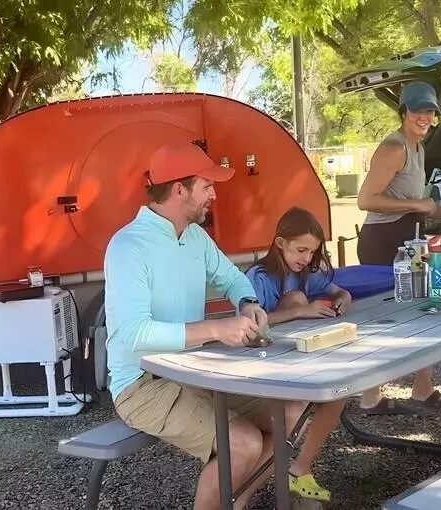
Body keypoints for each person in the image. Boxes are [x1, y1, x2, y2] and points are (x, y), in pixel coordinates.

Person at [104, 141, 306, 510]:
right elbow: (134, 334)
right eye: (207, 185)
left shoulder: (195, 236)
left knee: (291, 413)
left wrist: (248, 304)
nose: (214, 194)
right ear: (179, 189)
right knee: (243, 443)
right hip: (142, 385)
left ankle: (234, 503)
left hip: (194, 371)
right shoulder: (127, 246)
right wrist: (215, 330)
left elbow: (233, 279)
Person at [355, 80, 441, 415]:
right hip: (381, 240)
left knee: (425, 305)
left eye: (430, 111)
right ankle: (369, 396)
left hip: (407, 237)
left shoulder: (418, 147)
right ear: (403, 111)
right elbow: (366, 200)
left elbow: (419, 203)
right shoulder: (395, 147)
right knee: (383, 317)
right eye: (418, 110)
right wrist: (416, 206)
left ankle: (422, 388)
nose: (424, 117)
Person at [245, 206, 349, 502]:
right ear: (280, 243)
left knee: (338, 390)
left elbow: (339, 290)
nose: (306, 258)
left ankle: (300, 468)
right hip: (264, 361)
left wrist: (343, 298)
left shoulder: (304, 272)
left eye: (311, 252)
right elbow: (254, 323)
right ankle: (251, 485)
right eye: (301, 249)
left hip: (298, 356)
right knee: (296, 298)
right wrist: (300, 309)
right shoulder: (258, 276)